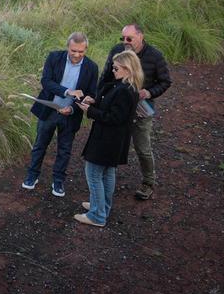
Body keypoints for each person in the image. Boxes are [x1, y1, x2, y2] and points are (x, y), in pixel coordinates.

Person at [21, 32, 99, 197]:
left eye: (81, 51)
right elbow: (46, 81)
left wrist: (72, 109)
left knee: (64, 149)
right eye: (73, 51)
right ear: (67, 47)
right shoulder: (54, 57)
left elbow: (91, 94)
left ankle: (58, 181)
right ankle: (32, 175)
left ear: (86, 49)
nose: (77, 55)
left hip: (71, 113)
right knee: (40, 145)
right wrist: (68, 91)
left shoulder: (92, 67)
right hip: (49, 109)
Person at [99, 23, 172, 200]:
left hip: (142, 107)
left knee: (142, 147)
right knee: (111, 142)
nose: (126, 42)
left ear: (140, 36)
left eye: (129, 38)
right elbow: (106, 76)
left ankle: (148, 182)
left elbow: (165, 81)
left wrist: (149, 92)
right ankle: (105, 182)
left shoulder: (155, 56)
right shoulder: (118, 50)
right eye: (123, 38)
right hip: (117, 104)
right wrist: (98, 97)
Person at [74, 50, 143, 227]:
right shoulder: (126, 87)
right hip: (114, 140)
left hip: (108, 139)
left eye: (116, 68)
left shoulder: (124, 91)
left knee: (94, 173)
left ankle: (97, 215)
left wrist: (89, 111)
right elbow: (111, 107)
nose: (113, 70)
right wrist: (95, 102)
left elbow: (113, 118)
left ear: (128, 69)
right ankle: (102, 205)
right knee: (107, 173)